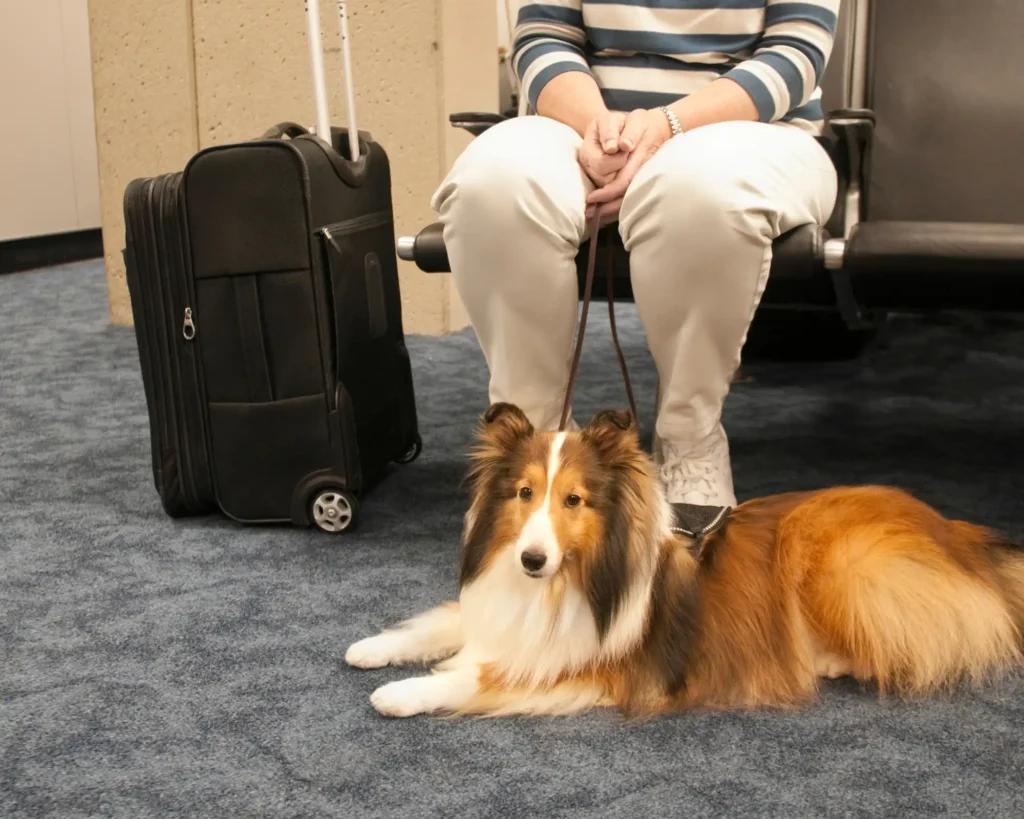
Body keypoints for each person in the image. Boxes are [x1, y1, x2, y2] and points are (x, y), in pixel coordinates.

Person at [430, 1, 840, 507]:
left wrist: (666, 128)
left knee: (699, 193)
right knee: (491, 187)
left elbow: (794, 55)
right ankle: (533, 442)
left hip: (756, 129)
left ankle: (689, 439)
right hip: (584, 124)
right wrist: (606, 132)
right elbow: (543, 38)